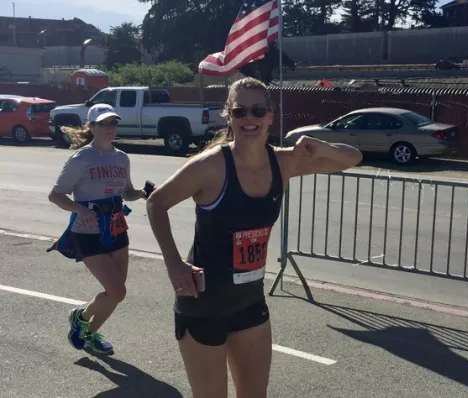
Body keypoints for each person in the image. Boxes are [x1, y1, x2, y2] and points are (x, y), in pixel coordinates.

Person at [146, 76, 362, 398]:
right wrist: (175, 265)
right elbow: (156, 202)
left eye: (258, 110)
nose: (250, 119)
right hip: (202, 303)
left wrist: (321, 145)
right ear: (228, 116)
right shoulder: (211, 166)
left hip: (249, 303)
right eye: (240, 111)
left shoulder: (284, 163)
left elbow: (353, 158)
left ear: (270, 116)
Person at [47, 103, 148, 356]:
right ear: (91, 126)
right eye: (103, 123)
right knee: (117, 290)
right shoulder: (81, 158)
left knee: (116, 293)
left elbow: (126, 192)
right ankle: (80, 317)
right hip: (87, 232)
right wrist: (82, 210)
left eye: (113, 123)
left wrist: (145, 193)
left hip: (116, 229)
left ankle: (89, 333)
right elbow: (56, 195)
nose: (110, 128)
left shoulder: (121, 157)